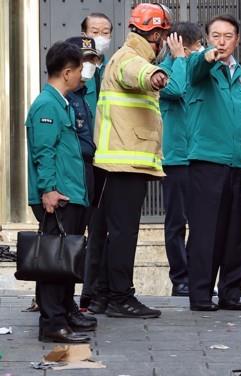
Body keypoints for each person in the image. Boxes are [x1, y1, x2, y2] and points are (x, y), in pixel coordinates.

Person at [92, 3, 172, 318]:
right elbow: (136, 74)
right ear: (154, 33)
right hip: (124, 164)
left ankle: (102, 296)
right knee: (124, 233)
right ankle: (120, 298)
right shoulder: (131, 58)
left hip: (120, 163)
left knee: (112, 233)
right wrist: (155, 75)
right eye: (162, 33)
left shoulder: (131, 55)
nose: (164, 40)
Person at [186, 14, 241, 311]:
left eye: (228, 36)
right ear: (207, 38)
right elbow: (195, 69)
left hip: (239, 163)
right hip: (208, 160)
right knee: (207, 231)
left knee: (235, 232)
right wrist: (207, 56)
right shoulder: (202, 67)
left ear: (237, 39)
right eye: (216, 35)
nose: (222, 41)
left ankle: (231, 292)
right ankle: (201, 295)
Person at [25, 41, 94, 342]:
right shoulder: (47, 105)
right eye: (79, 70)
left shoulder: (60, 102)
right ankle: (52, 323)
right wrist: (49, 190)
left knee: (67, 259)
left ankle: (65, 312)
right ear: (67, 72)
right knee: (53, 262)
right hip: (58, 196)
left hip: (71, 194)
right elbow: (44, 152)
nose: (82, 75)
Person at [159, 22, 203, 297]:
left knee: (202, 222)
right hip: (175, 158)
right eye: (197, 46)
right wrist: (177, 59)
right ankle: (180, 277)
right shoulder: (163, 69)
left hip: (201, 155)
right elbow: (173, 90)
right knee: (176, 222)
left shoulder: (198, 66)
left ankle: (200, 274)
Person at [79, 12, 114, 311]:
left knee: (102, 227)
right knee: (83, 226)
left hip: (109, 160)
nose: (100, 36)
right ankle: (80, 292)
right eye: (94, 31)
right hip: (84, 160)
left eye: (105, 32)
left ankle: (95, 290)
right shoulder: (79, 71)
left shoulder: (112, 68)